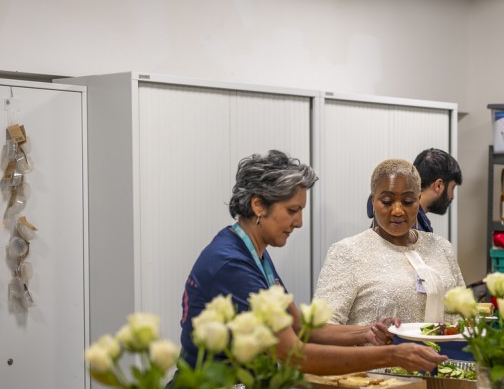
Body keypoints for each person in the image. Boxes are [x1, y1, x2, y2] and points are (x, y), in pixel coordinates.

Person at [179, 150, 446, 375]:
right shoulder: (231, 263)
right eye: (292, 211)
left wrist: (368, 333)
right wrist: (392, 355)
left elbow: (300, 327)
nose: (299, 222)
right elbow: (294, 354)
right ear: (258, 205)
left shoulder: (253, 253)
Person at [316, 158, 465, 326]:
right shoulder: (348, 252)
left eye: (408, 202)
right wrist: (367, 334)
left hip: (446, 352)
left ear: (418, 199)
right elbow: (320, 328)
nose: (397, 211)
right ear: (373, 201)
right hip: (379, 352)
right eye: (387, 202)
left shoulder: (441, 247)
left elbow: (464, 312)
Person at [365, 148, 462, 232]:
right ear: (438, 185)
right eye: (452, 188)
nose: (452, 196)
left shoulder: (415, 223)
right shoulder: (407, 227)